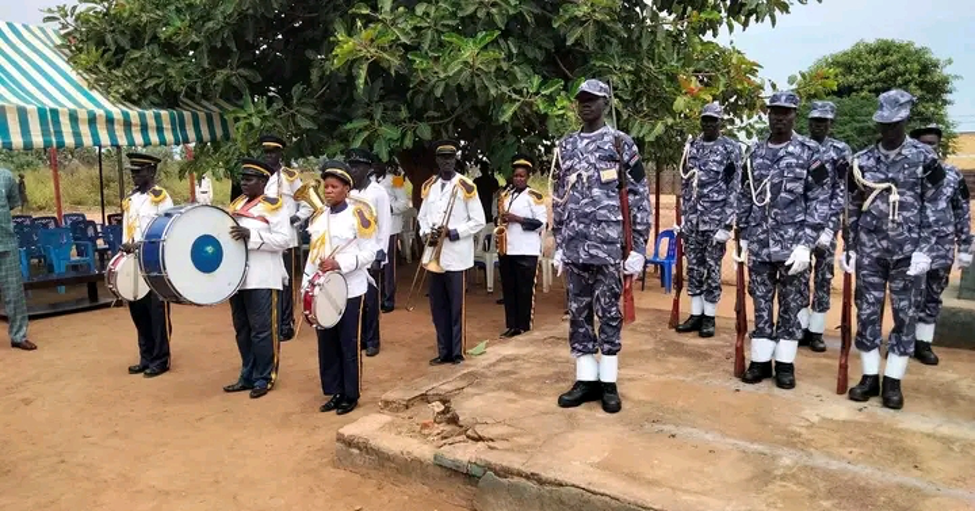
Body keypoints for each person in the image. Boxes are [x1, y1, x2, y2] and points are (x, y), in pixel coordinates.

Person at [551, 79, 652, 414]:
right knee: (578, 314)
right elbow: (559, 197)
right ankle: (585, 379)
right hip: (576, 247)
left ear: (605, 103)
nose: (586, 105)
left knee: (609, 313)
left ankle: (608, 382)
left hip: (610, 247)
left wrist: (638, 246)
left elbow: (638, 198)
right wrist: (560, 242)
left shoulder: (621, 144)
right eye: (581, 100)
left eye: (592, 100)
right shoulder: (565, 147)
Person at [841, 90, 946, 410]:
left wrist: (926, 249)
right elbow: (852, 207)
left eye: (895, 124)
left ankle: (893, 382)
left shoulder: (925, 158)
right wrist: (851, 246)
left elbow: (936, 206)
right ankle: (870, 376)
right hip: (871, 252)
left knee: (905, 317)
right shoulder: (861, 161)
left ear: (905, 121)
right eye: (884, 124)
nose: (889, 130)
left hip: (909, 253)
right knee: (868, 314)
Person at [738, 91, 830, 390]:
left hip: (794, 246)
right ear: (768, 114)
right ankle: (761, 361)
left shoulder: (809, 152)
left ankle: (786, 365)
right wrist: (742, 237)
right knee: (761, 304)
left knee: (791, 307)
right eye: (775, 111)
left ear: (795, 115)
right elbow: (745, 196)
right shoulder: (754, 153)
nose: (779, 117)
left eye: (786, 112)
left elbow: (819, 200)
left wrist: (807, 243)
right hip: (761, 245)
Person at [304, 161, 379, 415]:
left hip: (351, 288)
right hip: (322, 290)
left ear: (347, 188)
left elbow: (370, 252)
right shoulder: (318, 218)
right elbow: (313, 256)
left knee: (348, 343)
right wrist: (306, 287)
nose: (328, 191)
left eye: (334, 186)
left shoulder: (359, 216)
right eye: (326, 186)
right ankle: (335, 391)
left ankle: (351, 394)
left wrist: (340, 263)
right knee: (327, 343)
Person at [224, 158, 292, 399]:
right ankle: (247, 374)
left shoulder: (274, 206)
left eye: (250, 178)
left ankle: (265, 377)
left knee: (263, 331)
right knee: (242, 329)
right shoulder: (236, 205)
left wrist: (250, 235)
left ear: (263, 181)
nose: (244, 182)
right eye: (242, 178)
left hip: (263, 277)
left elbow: (284, 240)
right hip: (237, 278)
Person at [674, 102, 742, 338]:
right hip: (693, 219)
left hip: (715, 220)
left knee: (712, 269)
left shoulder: (730, 148)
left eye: (713, 120)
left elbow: (734, 187)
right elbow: (685, 182)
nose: (709, 124)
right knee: (693, 267)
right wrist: (683, 218)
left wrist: (726, 224)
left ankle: (709, 317)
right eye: (705, 120)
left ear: (720, 122)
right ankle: (695, 314)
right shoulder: (691, 147)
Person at [908, 124, 973, 366]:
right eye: (923, 143)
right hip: (911, 247)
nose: (928, 148)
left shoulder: (952, 174)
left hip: (941, 247)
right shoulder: (907, 175)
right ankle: (902, 340)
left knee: (932, 297)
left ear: (939, 145)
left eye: (932, 143)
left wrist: (965, 245)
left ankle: (923, 344)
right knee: (907, 297)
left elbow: (961, 210)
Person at [417, 140, 486, 365]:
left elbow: (478, 221)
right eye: (442, 158)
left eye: (450, 158)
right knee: (438, 307)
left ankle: (457, 352)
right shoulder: (430, 186)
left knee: (456, 306)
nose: (447, 162)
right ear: (437, 161)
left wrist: (453, 232)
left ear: (456, 160)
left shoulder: (466, 186)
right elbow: (423, 216)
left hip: (456, 255)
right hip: (433, 254)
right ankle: (443, 350)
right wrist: (428, 232)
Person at [799, 101, 853, 353]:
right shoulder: (799, 147)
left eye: (824, 121)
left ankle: (816, 331)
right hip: (799, 225)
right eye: (814, 120)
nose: (818, 125)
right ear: (808, 122)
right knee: (796, 276)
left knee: (823, 278)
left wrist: (830, 228)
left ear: (831, 123)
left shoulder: (840, 151)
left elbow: (841, 192)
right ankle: (798, 326)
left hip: (826, 227)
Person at [121, 153, 174, 377]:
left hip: (153, 261)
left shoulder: (161, 198)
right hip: (133, 260)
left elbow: (166, 231)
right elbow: (128, 227)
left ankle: (161, 359)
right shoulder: (131, 198)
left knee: (156, 312)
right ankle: (146, 357)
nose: (134, 175)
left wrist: (140, 246)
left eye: (139, 172)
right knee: (138, 309)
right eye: (132, 171)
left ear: (151, 172)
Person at [260, 134, 315, 342]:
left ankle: (286, 324)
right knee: (269, 280)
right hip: (265, 238)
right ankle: (271, 322)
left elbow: (307, 204)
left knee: (286, 283)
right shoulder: (261, 176)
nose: (269, 156)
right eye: (266, 152)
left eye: (273, 152)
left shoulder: (290, 177)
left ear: (280, 154)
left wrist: (293, 219)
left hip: (287, 239)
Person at [497, 154, 547, 338]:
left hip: (527, 250)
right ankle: (512, 325)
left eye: (522, 176)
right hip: (508, 249)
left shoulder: (534, 196)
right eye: (516, 175)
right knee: (509, 290)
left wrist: (516, 219)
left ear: (528, 177)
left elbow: (542, 223)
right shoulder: (506, 195)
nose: (518, 179)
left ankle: (524, 327)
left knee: (525, 291)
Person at [347, 149, 391, 357]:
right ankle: (360, 338)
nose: (353, 171)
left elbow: (384, 225)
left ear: (368, 169)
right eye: (351, 166)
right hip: (352, 253)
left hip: (371, 251)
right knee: (355, 299)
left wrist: (380, 254)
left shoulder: (378, 192)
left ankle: (373, 340)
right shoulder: (348, 192)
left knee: (371, 301)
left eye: (358, 167)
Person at [0, 167, 35, 351]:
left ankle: (18, 336)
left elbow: (14, 202)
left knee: (14, 293)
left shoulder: (5, 176)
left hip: (6, 243)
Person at [375, 161, 410, 312]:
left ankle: (388, 299)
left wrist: (388, 208)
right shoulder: (368, 181)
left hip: (390, 228)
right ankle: (376, 297)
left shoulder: (395, 179)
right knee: (375, 265)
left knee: (389, 267)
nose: (375, 167)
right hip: (373, 230)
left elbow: (404, 203)